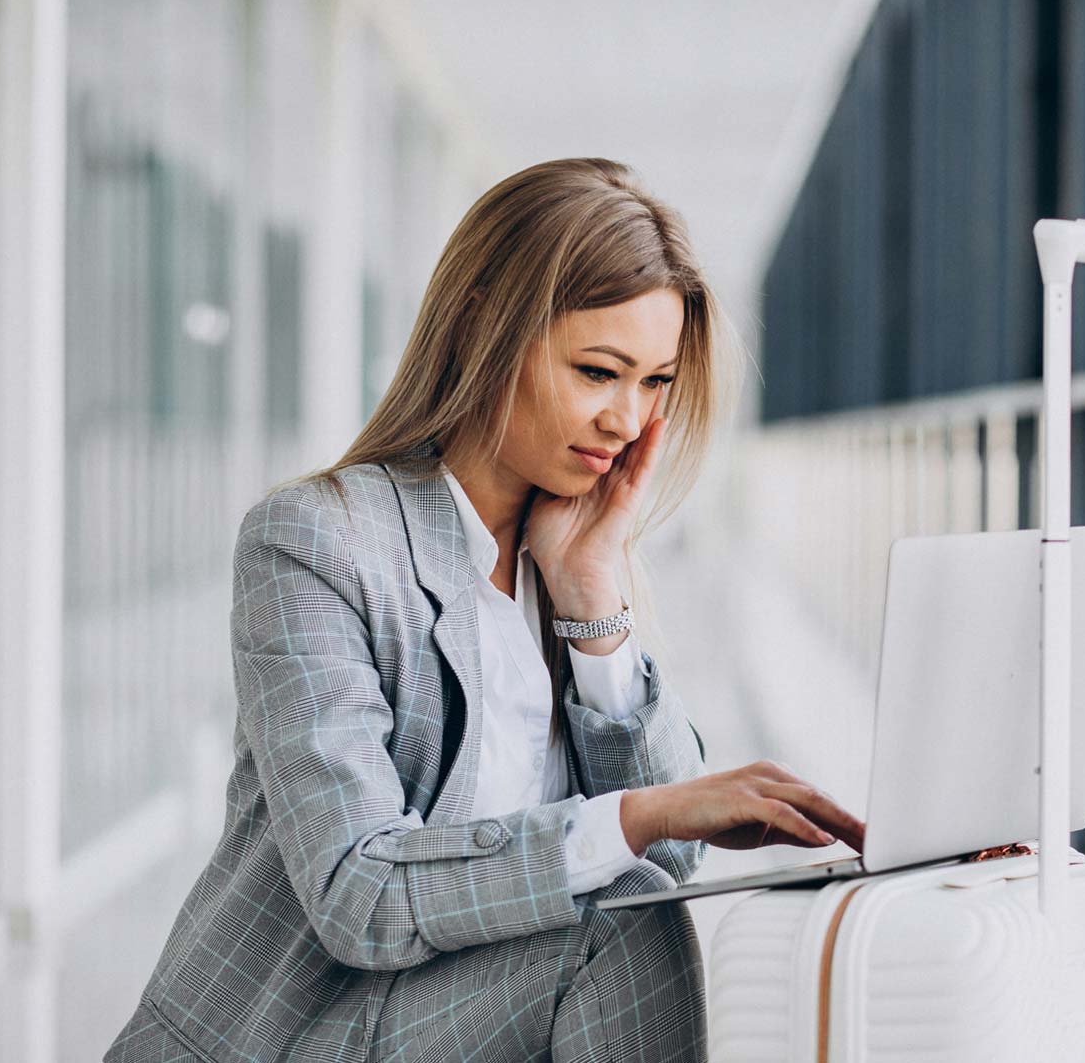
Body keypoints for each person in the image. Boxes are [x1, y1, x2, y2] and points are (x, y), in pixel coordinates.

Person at [103, 157, 865, 1063]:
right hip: (300, 1034)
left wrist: (594, 600)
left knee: (637, 916)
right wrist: (642, 812)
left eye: (656, 382)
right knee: (616, 931)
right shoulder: (315, 541)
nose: (627, 419)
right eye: (598, 370)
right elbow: (364, 896)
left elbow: (671, 868)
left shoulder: (567, 555)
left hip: (464, 1022)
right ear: (481, 327)